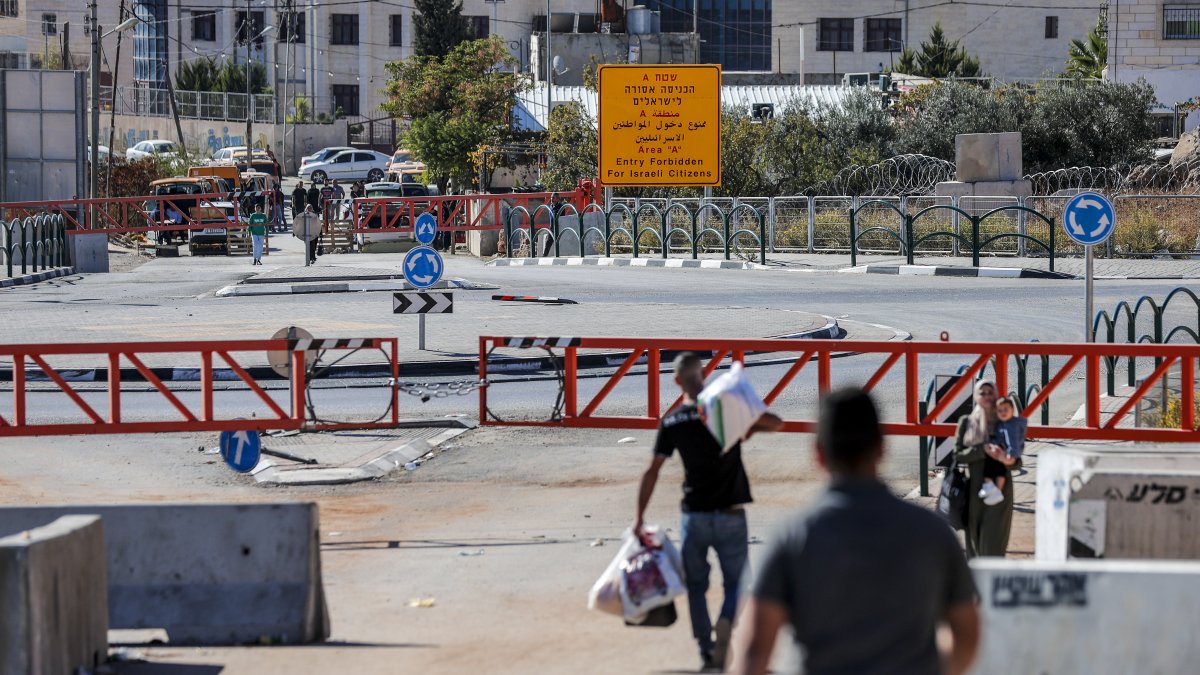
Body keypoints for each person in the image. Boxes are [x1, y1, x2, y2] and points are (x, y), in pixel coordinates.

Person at [734, 388, 980, 675]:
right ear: (881, 447)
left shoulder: (791, 537)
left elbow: (754, 653)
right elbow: (967, 636)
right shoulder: (933, 532)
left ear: (819, 455)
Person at [634, 352, 783, 673]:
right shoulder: (722, 411)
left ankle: (706, 652)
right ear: (703, 375)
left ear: (677, 381)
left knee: (697, 587)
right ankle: (727, 619)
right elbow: (775, 422)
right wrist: (751, 425)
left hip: (694, 515)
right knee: (736, 584)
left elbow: (652, 470)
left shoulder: (672, 421)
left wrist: (639, 517)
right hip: (730, 513)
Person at [955, 380, 1019, 557]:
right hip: (973, 489)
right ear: (975, 396)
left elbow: (1017, 461)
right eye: (982, 393)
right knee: (974, 545)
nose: (987, 396)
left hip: (1001, 491)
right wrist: (981, 450)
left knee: (994, 545)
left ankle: (991, 582)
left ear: (996, 394)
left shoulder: (1005, 421)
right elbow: (958, 455)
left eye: (990, 392)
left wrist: (1003, 458)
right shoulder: (966, 422)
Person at [979, 397, 1027, 506]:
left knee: (991, 464)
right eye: (1000, 411)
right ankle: (997, 491)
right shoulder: (1004, 423)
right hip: (1002, 449)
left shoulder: (1011, 425)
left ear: (1012, 410)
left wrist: (1011, 454)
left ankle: (989, 484)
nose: (1003, 413)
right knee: (1000, 470)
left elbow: (1013, 440)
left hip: (1006, 451)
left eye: (1006, 409)